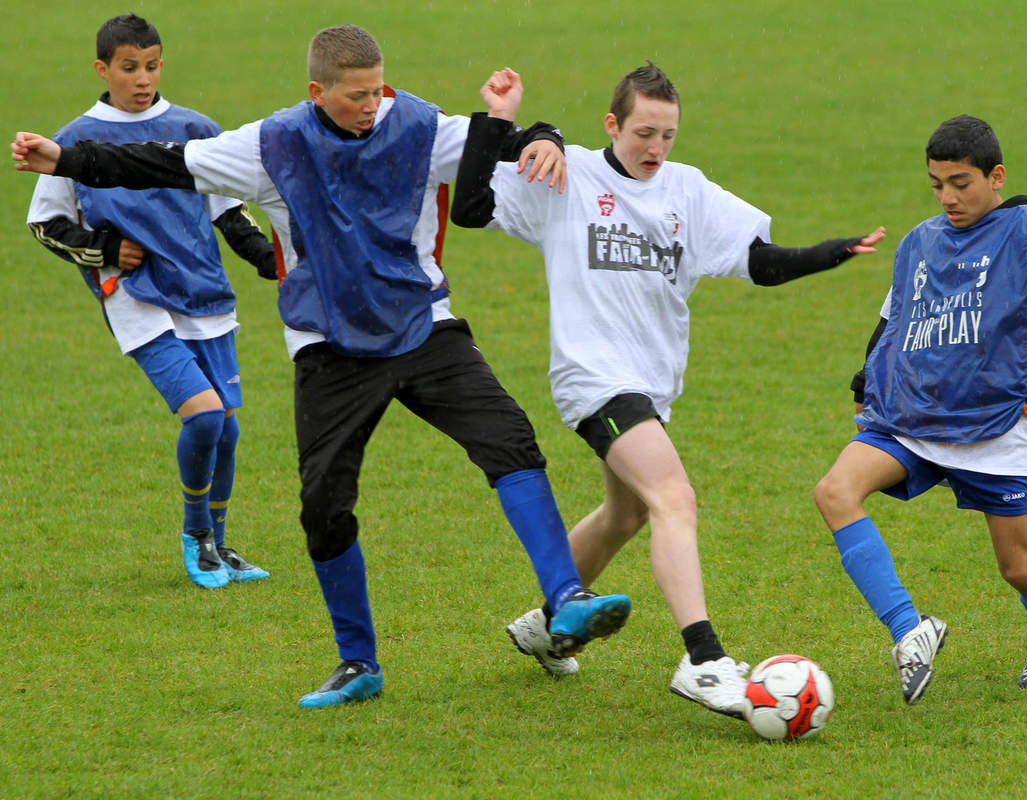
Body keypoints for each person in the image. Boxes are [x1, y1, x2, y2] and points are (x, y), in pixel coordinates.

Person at [13, 24, 632, 709]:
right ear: (318, 91)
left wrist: (540, 132)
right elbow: (164, 163)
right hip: (328, 348)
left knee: (509, 441)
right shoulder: (269, 145)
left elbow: (503, 143)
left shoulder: (418, 126)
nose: (372, 105)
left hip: (425, 327)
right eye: (356, 95)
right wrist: (65, 158)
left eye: (377, 90)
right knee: (323, 507)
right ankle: (358, 664)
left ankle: (567, 596)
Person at [451, 62, 885, 718]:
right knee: (673, 499)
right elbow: (473, 207)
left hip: (650, 386)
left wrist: (831, 251)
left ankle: (545, 626)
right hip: (594, 379)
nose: (656, 149)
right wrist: (503, 123)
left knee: (625, 515)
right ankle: (703, 661)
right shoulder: (567, 175)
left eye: (669, 136)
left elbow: (759, 263)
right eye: (644, 133)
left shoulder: (688, 190)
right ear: (612, 125)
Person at [812, 115, 1027, 704]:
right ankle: (911, 630)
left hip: (993, 426)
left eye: (961, 182)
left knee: (1020, 569)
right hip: (912, 418)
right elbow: (894, 315)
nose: (948, 197)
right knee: (835, 491)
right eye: (937, 184)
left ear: (996, 176)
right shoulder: (921, 241)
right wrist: (865, 378)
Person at [25, 14, 276, 589]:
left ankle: (220, 540)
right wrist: (106, 247)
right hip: (134, 298)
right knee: (205, 415)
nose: (142, 78)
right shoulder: (72, 140)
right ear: (103, 69)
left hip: (204, 293)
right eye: (129, 67)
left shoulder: (195, 127)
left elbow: (227, 212)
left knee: (227, 431)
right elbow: (45, 224)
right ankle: (196, 537)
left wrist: (270, 260)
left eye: (152, 65)